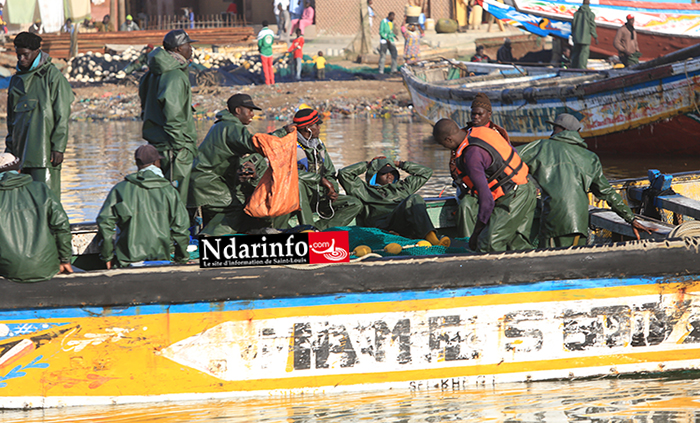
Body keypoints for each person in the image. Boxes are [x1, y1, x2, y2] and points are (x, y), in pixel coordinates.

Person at [517, 114, 653, 247]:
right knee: (575, 264)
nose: (553, 131)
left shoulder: (541, 147)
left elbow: (508, 156)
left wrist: (524, 183)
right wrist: (631, 218)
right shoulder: (590, 157)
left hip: (554, 221)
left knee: (551, 265)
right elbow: (607, 192)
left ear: (563, 130)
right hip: (579, 224)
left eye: (555, 128)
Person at [433, 99, 536, 253]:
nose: (445, 148)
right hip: (527, 187)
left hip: (515, 194)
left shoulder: (471, 156)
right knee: (516, 243)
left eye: (443, 145)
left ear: (448, 139)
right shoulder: (481, 132)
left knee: (488, 243)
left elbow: (486, 200)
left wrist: (476, 234)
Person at [189, 94, 293, 236]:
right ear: (238, 111)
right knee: (236, 207)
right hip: (207, 184)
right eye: (249, 110)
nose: (252, 114)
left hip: (203, 181)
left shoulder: (222, 124)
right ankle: (208, 238)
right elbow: (253, 143)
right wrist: (283, 133)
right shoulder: (231, 126)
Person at [97, 144, 190, 269]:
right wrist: (181, 258)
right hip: (161, 259)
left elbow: (105, 223)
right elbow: (181, 228)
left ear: (136, 163)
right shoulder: (169, 190)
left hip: (128, 260)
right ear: (157, 162)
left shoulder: (121, 189)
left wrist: (107, 256)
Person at [6, 32, 74, 199]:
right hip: (20, 154)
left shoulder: (52, 76)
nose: (21, 59)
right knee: (24, 203)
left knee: (47, 201)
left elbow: (62, 114)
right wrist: (9, 151)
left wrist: (58, 147)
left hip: (45, 155)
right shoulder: (16, 80)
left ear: (37, 51)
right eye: (18, 54)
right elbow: (11, 120)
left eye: (26, 55)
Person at [139, 29, 198, 202]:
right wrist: (180, 146)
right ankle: (175, 229)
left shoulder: (151, 74)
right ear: (179, 49)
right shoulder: (174, 76)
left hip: (157, 143)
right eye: (188, 45)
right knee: (177, 199)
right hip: (174, 147)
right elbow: (173, 115)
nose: (191, 49)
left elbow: (145, 105)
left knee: (161, 195)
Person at [339, 157, 451, 247]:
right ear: (375, 175)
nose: (389, 175)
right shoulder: (364, 190)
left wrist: (399, 164)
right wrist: (369, 164)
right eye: (384, 173)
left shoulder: (403, 187)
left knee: (415, 199)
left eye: (392, 172)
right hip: (381, 225)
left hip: (400, 222)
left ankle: (433, 239)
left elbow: (426, 172)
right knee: (412, 199)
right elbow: (344, 174)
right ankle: (431, 239)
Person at [0, 153, 72, 283]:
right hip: (46, 266)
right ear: (19, 170)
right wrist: (65, 259)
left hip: (8, 270)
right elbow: (62, 226)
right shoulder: (42, 189)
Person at [293, 109, 362, 230]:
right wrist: (321, 180)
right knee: (298, 184)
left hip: (320, 194)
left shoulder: (319, 145)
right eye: (317, 125)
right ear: (307, 127)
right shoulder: (289, 145)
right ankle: (307, 230)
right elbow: (289, 174)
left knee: (354, 204)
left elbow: (330, 172)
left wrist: (332, 189)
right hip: (296, 197)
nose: (320, 127)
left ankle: (318, 230)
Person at [571, 0, 597, 69]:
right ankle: (582, 68)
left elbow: (573, 25)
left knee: (575, 53)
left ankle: (573, 67)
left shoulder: (576, 14)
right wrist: (595, 36)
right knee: (584, 54)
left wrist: (573, 34)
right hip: (586, 38)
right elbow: (592, 26)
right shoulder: (590, 14)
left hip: (576, 37)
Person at [258, 21, 276, 85]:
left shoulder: (261, 33)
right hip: (270, 51)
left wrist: (259, 49)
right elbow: (272, 41)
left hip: (263, 52)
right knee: (270, 67)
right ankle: (272, 81)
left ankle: (267, 82)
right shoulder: (271, 32)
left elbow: (259, 43)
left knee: (265, 68)